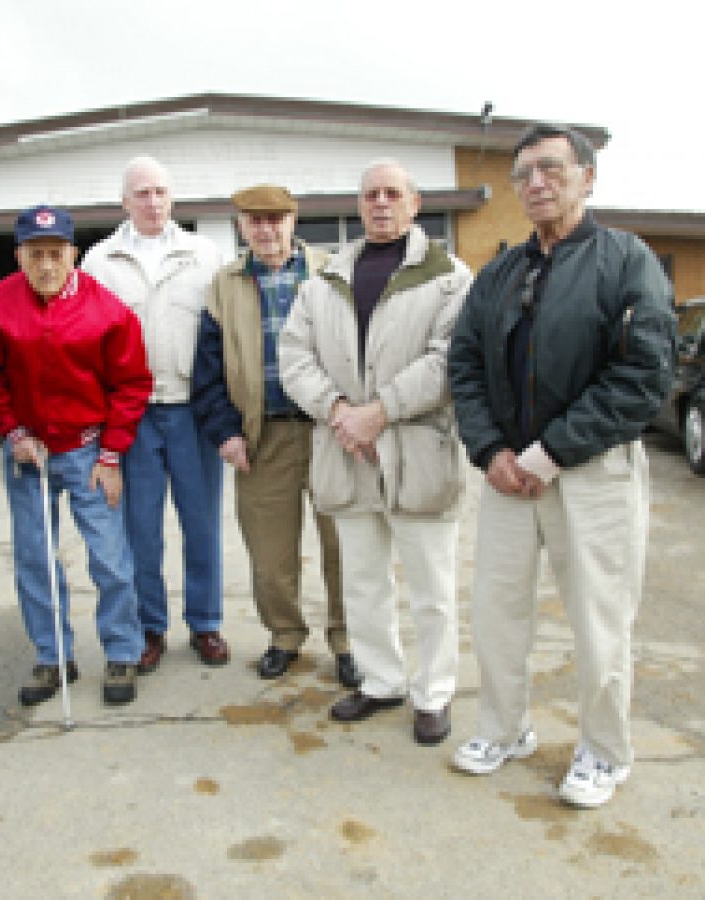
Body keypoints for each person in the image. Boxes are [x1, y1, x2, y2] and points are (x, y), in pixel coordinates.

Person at [447, 124, 675, 808]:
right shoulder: (501, 273)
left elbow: (642, 375)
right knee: (496, 612)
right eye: (523, 174)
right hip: (507, 477)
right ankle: (504, 728)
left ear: (587, 177)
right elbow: (464, 365)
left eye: (551, 168)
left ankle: (605, 752)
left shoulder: (626, 261)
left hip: (592, 474)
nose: (535, 183)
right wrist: (490, 449)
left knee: (600, 619)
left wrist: (550, 452)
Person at [280, 161, 472, 744]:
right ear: (359, 205)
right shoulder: (324, 280)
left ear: (415, 203)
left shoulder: (449, 276)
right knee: (362, 581)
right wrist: (339, 410)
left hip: (418, 453)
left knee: (431, 587)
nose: (381, 203)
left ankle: (434, 691)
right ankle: (382, 680)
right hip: (345, 450)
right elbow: (294, 357)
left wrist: (379, 411)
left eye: (393, 193)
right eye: (371, 195)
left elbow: (448, 361)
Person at [0, 205, 152, 706]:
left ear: (73, 254)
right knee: (35, 560)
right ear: (19, 255)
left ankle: (121, 651)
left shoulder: (107, 310)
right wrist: (10, 430)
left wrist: (112, 454)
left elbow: (132, 384)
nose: (46, 265)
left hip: (89, 449)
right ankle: (53, 657)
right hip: (30, 452)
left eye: (56, 254)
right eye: (35, 254)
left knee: (110, 559)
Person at [191, 184, 358, 686]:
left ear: (293, 220)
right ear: (241, 225)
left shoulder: (333, 270)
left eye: (275, 219)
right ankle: (284, 636)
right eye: (254, 220)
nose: (265, 229)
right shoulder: (225, 284)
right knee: (270, 556)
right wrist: (225, 432)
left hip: (332, 433)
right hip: (262, 438)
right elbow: (208, 367)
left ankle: (349, 640)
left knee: (345, 547)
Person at [82, 157, 228, 673]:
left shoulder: (204, 255)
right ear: (124, 201)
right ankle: (150, 628)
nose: (152, 202)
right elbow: (88, 345)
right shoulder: (99, 263)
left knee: (202, 522)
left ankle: (206, 622)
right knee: (140, 528)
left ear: (173, 198)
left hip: (193, 411)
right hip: (133, 417)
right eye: (141, 193)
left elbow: (223, 334)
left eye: (160, 192)